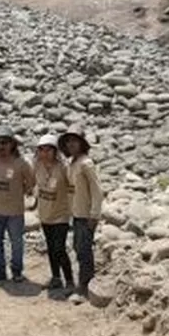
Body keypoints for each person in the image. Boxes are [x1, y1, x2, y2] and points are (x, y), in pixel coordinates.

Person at [0, 126, 35, 284]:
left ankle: (17, 272)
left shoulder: (21, 163)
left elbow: (31, 182)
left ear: (12, 144)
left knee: (16, 243)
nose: (1, 146)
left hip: (15, 212)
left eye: (5, 142)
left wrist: (19, 192)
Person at [58, 125, 104, 296]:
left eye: (74, 141)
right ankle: (85, 281)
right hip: (76, 213)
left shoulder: (86, 163)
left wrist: (95, 214)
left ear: (81, 143)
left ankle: (85, 285)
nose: (71, 144)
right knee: (78, 248)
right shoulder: (72, 163)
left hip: (86, 214)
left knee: (83, 249)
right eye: (68, 141)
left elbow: (97, 190)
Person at [33, 134, 75, 291]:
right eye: (41, 150)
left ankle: (70, 280)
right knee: (50, 248)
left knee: (59, 248)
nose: (45, 153)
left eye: (48, 150)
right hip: (45, 213)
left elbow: (72, 187)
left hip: (61, 214)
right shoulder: (37, 165)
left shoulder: (63, 167)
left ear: (55, 151)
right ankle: (55, 277)